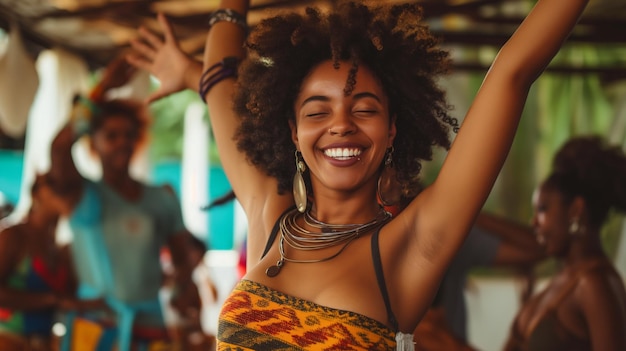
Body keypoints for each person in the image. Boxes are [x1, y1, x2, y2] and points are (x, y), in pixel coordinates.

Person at [127, 0, 588, 349]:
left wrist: (198, 73)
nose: (340, 124)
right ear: (293, 131)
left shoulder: (410, 246)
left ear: (391, 131)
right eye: (317, 110)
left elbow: (512, 72)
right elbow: (221, 77)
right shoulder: (271, 218)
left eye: (363, 109)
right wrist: (208, 43)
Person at [47, 57, 200, 351]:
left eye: (129, 135)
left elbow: (183, 258)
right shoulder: (81, 193)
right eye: (111, 136)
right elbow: (59, 146)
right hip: (94, 327)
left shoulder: (162, 197)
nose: (122, 143)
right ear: (93, 141)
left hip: (150, 323)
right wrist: (102, 88)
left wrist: (183, 287)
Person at [503, 136, 626, 351]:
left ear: (575, 210)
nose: (534, 222)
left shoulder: (594, 284)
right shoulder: (564, 280)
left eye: (542, 209)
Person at [0, 175, 101, 351]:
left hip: (44, 344)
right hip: (8, 340)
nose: (66, 194)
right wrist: (52, 300)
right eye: (54, 186)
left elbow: (73, 298)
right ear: (37, 193)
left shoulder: (62, 250)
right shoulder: (13, 236)